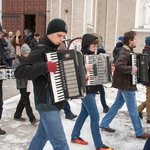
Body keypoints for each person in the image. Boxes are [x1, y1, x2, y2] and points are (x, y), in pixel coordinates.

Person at [14, 18, 70, 150]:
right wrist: (45, 67)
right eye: (59, 35)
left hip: (55, 101)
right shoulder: (40, 49)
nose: (62, 39)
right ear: (50, 33)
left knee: (41, 137)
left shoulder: (54, 50)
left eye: (64, 36)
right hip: (46, 102)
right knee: (60, 144)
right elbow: (19, 72)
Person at [100, 31, 150, 139]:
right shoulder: (125, 53)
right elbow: (118, 66)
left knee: (117, 105)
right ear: (130, 41)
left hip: (124, 84)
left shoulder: (128, 51)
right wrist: (132, 69)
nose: (137, 41)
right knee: (133, 109)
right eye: (135, 39)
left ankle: (104, 123)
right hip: (127, 85)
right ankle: (139, 132)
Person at [71, 34, 113, 150]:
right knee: (95, 116)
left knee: (84, 114)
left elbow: (98, 72)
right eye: (93, 46)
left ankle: (75, 136)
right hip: (85, 90)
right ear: (87, 45)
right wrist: (84, 67)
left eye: (96, 46)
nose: (95, 48)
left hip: (93, 89)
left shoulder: (93, 56)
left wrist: (109, 70)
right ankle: (99, 145)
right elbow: (72, 71)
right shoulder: (79, 55)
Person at [13, 43, 39, 125]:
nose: (29, 54)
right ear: (23, 53)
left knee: (23, 99)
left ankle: (17, 115)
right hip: (22, 83)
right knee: (26, 101)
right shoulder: (17, 61)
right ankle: (32, 118)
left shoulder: (29, 60)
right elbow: (16, 72)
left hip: (29, 83)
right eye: (27, 53)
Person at [138, 36, 150, 123]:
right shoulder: (146, 52)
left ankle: (140, 108)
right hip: (149, 79)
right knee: (149, 98)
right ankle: (149, 117)